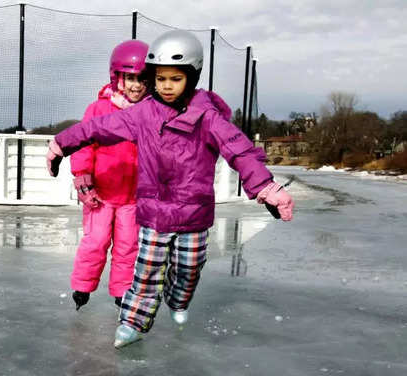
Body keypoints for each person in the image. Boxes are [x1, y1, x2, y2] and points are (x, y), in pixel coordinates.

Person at [46, 29, 294, 348]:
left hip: (194, 214)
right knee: (146, 272)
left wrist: (266, 187)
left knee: (188, 271)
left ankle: (178, 301)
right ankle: (133, 322)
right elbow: (97, 128)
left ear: (191, 78)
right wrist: (60, 145)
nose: (165, 86)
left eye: (174, 79)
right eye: (160, 78)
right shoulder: (143, 114)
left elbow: (239, 149)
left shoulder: (206, 116)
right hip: (154, 213)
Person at [69, 39, 149, 311]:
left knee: (129, 246)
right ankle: (82, 286)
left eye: (142, 79)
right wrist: (83, 180)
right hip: (101, 193)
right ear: (118, 78)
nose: (136, 85)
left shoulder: (152, 113)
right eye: (130, 78)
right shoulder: (99, 109)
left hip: (134, 197)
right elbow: (83, 145)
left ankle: (122, 292)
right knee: (96, 240)